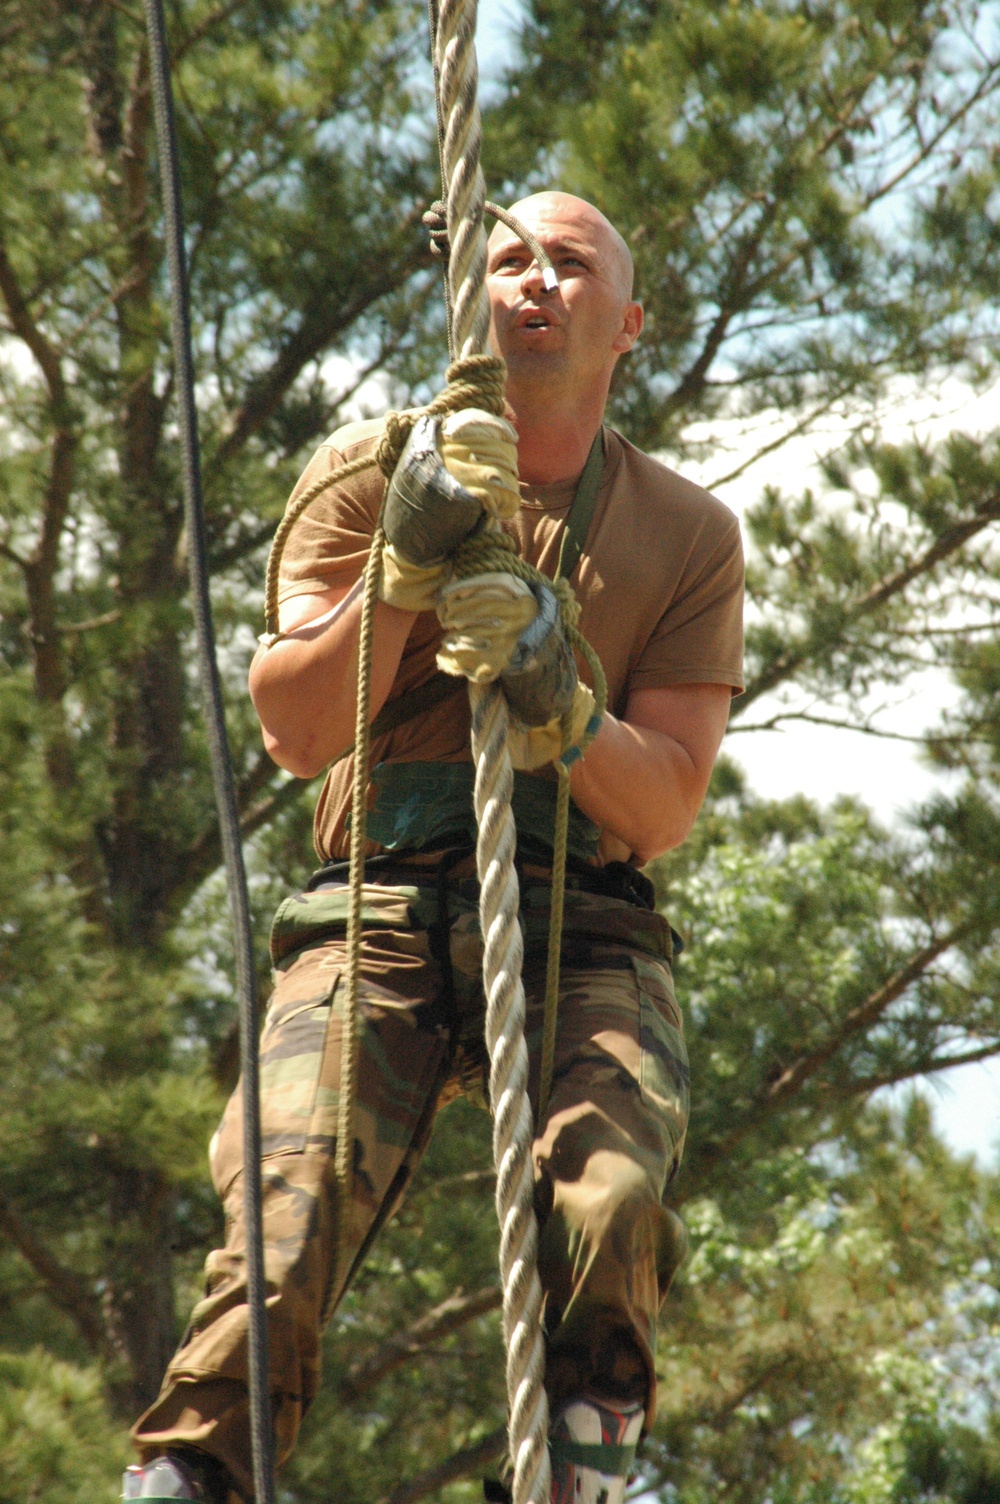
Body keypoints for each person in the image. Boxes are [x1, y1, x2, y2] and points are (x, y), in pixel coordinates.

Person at [125, 192, 744, 1504]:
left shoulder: (687, 535)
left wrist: (558, 701)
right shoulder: (367, 472)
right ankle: (191, 1477)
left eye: (569, 267)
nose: (533, 283)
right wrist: (399, 573)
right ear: (466, 297)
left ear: (627, 324)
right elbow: (296, 724)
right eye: (508, 261)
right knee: (280, 1214)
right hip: (375, 901)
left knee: (614, 1206)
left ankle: (585, 1462)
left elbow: (667, 803)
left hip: (586, 913)